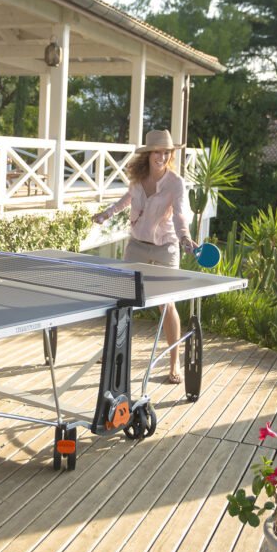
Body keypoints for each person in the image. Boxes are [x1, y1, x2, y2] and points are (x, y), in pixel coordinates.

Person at [93, 129, 195, 384]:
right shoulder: (138, 178)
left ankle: (175, 363)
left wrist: (184, 236)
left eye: (166, 152)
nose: (162, 156)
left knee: (166, 304)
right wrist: (107, 214)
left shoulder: (175, 183)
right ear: (148, 154)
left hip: (166, 246)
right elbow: (128, 198)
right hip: (137, 244)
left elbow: (181, 213)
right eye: (157, 151)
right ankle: (112, 352)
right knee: (122, 300)